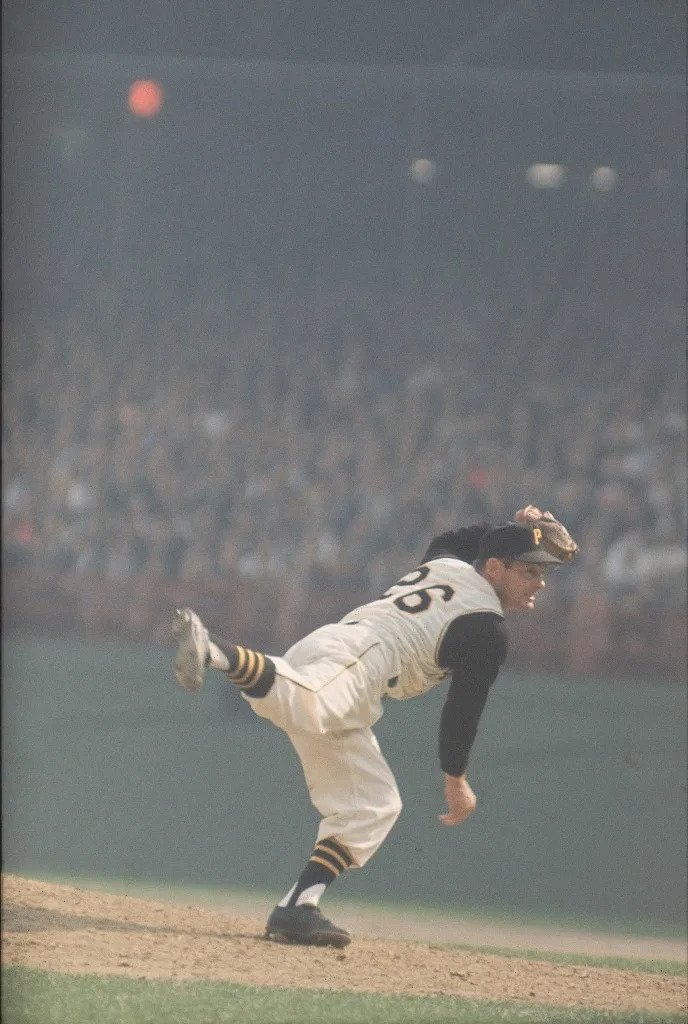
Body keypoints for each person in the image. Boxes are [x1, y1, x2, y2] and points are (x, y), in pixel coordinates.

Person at [171, 505, 577, 948]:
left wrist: (520, 528)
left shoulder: (444, 559)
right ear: (496, 568)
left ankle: (297, 906)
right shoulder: (487, 628)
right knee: (308, 702)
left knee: (373, 805)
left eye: (544, 573)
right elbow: (464, 708)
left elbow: (461, 536)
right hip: (360, 657)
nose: (540, 582)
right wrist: (455, 779)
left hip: (345, 657)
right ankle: (214, 650)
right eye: (530, 571)